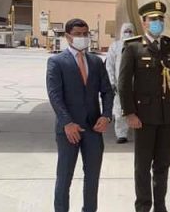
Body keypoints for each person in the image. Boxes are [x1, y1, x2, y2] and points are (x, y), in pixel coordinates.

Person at [119, 1, 170, 212]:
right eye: (153, 19)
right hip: (144, 117)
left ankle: (160, 206)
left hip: (167, 115)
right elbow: (124, 83)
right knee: (142, 166)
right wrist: (129, 113)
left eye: (161, 19)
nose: (158, 22)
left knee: (162, 165)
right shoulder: (133, 47)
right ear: (144, 23)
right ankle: (142, 207)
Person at [46, 18, 113, 212]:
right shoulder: (57, 62)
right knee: (64, 177)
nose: (82, 37)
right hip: (69, 131)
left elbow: (107, 91)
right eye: (77, 34)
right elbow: (55, 95)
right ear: (68, 36)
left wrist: (106, 115)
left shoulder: (96, 62)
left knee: (92, 178)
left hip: (93, 129)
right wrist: (67, 123)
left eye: (85, 34)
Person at [105, 22, 134, 143]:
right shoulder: (115, 46)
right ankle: (121, 134)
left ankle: (140, 131)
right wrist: (112, 82)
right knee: (119, 109)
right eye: (125, 31)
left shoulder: (138, 45)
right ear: (121, 32)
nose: (128, 34)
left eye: (130, 31)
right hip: (120, 84)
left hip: (136, 84)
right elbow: (109, 65)